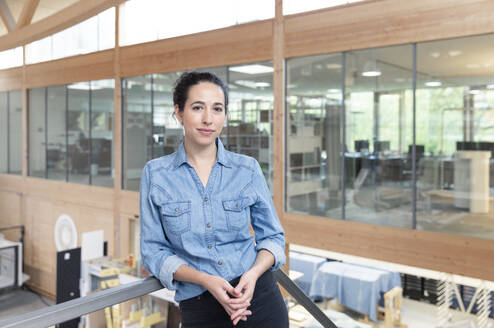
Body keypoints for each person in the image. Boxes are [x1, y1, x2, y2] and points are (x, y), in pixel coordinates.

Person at [140, 71, 288, 328]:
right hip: (201, 307)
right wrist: (206, 280)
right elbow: (153, 251)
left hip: (258, 300)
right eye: (198, 107)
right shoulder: (156, 174)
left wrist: (252, 275)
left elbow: (273, 238)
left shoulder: (247, 169)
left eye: (217, 109)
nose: (208, 119)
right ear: (179, 112)